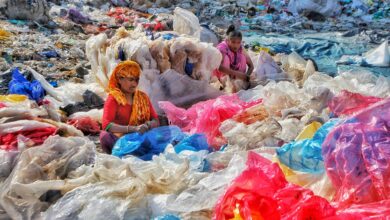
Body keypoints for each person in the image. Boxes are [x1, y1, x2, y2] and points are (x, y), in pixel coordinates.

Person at [100, 61, 159, 154]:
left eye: (137, 80)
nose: (134, 84)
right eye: (131, 80)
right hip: (120, 139)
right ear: (119, 79)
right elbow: (106, 125)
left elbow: (155, 120)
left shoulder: (143, 97)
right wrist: (133, 129)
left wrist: (148, 125)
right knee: (105, 136)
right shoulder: (113, 99)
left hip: (140, 137)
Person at [213, 25, 254, 92]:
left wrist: (246, 77)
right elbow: (219, 67)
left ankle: (236, 81)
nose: (236, 45)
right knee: (226, 59)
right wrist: (237, 74)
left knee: (243, 57)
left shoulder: (240, 48)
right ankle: (224, 83)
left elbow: (251, 66)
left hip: (234, 74)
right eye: (233, 42)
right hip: (221, 74)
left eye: (238, 42)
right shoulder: (222, 48)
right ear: (228, 41)